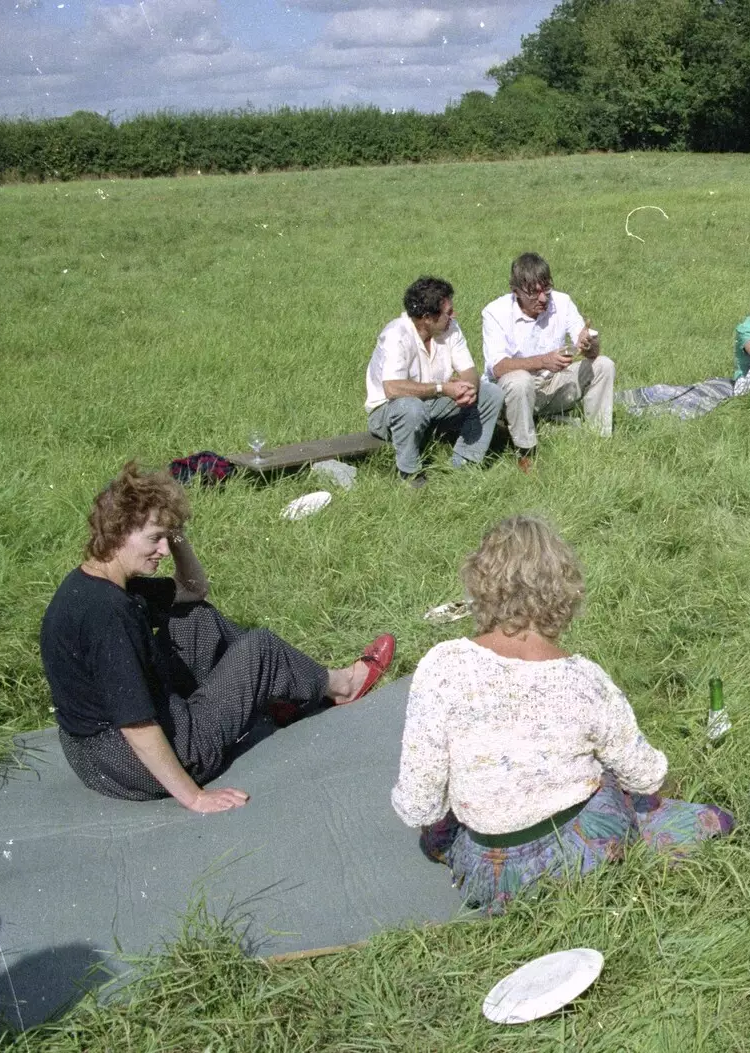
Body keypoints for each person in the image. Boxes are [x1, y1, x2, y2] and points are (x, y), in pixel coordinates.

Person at [391, 515, 734, 911]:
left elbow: (420, 806)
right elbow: (646, 776)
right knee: (650, 798)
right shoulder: (584, 680)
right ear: (562, 592)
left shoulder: (442, 665)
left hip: (491, 870)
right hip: (579, 855)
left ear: (480, 586)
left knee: (445, 827)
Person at [40, 464, 396, 811]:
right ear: (118, 534)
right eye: (154, 539)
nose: (164, 550)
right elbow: (137, 724)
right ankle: (343, 686)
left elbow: (193, 590)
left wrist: (175, 533)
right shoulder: (107, 615)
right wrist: (193, 796)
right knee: (262, 650)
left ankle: (281, 690)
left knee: (197, 619)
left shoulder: (98, 584)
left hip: (93, 754)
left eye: (167, 538)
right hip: (128, 763)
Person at [365, 276, 504, 490]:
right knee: (411, 407)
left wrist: (469, 389)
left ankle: (463, 466)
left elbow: (468, 370)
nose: (453, 315)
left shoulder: (450, 329)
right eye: (448, 312)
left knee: (491, 393)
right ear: (427, 318)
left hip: (431, 404)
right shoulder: (396, 335)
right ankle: (410, 475)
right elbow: (392, 388)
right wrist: (442, 388)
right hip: (389, 412)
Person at [481, 253, 616, 472]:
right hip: (513, 394)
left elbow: (589, 351)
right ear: (515, 292)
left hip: (553, 384)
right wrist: (544, 361)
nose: (543, 298)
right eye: (534, 293)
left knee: (604, 365)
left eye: (547, 289)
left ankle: (599, 438)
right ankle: (525, 451)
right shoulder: (495, 313)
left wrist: (589, 342)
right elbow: (498, 368)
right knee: (519, 380)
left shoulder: (562, 302)